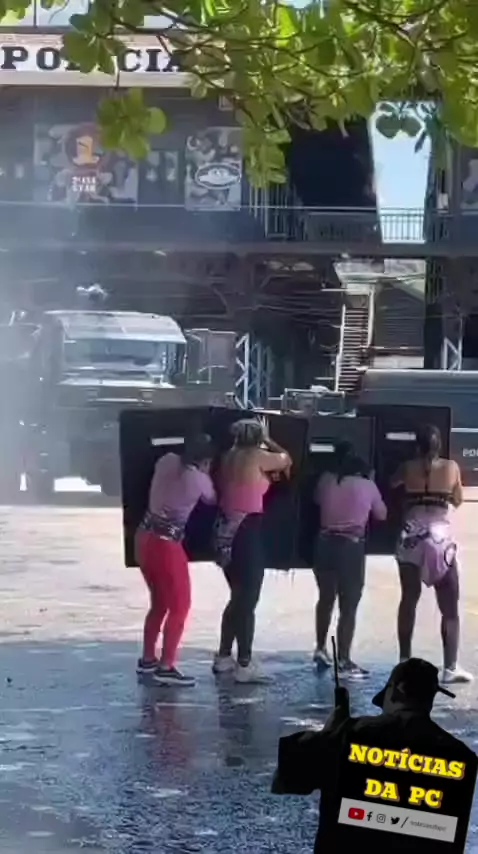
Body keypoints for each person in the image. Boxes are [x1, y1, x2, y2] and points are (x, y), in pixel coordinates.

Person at [272, 658, 477, 854]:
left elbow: (283, 781)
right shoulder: (462, 758)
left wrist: (329, 733)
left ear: (397, 690)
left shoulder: (349, 734)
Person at [391, 424, 472, 684]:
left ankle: (404, 660)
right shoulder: (451, 467)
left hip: (411, 536)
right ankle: (450, 667)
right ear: (439, 446)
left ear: (417, 447)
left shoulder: (407, 467)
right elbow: (457, 500)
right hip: (439, 538)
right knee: (450, 605)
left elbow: (391, 484)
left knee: (408, 599)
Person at [213, 418, 292, 683]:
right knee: (248, 599)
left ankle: (224, 656)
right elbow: (286, 459)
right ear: (258, 437)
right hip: (247, 530)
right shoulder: (259, 456)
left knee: (237, 596)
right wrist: (269, 440)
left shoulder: (228, 457)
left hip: (225, 529)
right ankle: (244, 664)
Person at [135, 433, 216, 686]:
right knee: (180, 606)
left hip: (143, 537)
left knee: (159, 602)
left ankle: (148, 659)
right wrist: (207, 473)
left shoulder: (166, 460)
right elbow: (212, 500)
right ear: (206, 460)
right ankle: (166, 666)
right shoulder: (199, 479)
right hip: (167, 544)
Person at [313, 449, 387, 678]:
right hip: (350, 547)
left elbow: (316, 500)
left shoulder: (326, 480)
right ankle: (344, 659)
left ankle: (320, 648)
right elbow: (382, 514)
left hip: (324, 543)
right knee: (348, 605)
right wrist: (371, 482)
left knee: (326, 598)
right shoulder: (367, 485)